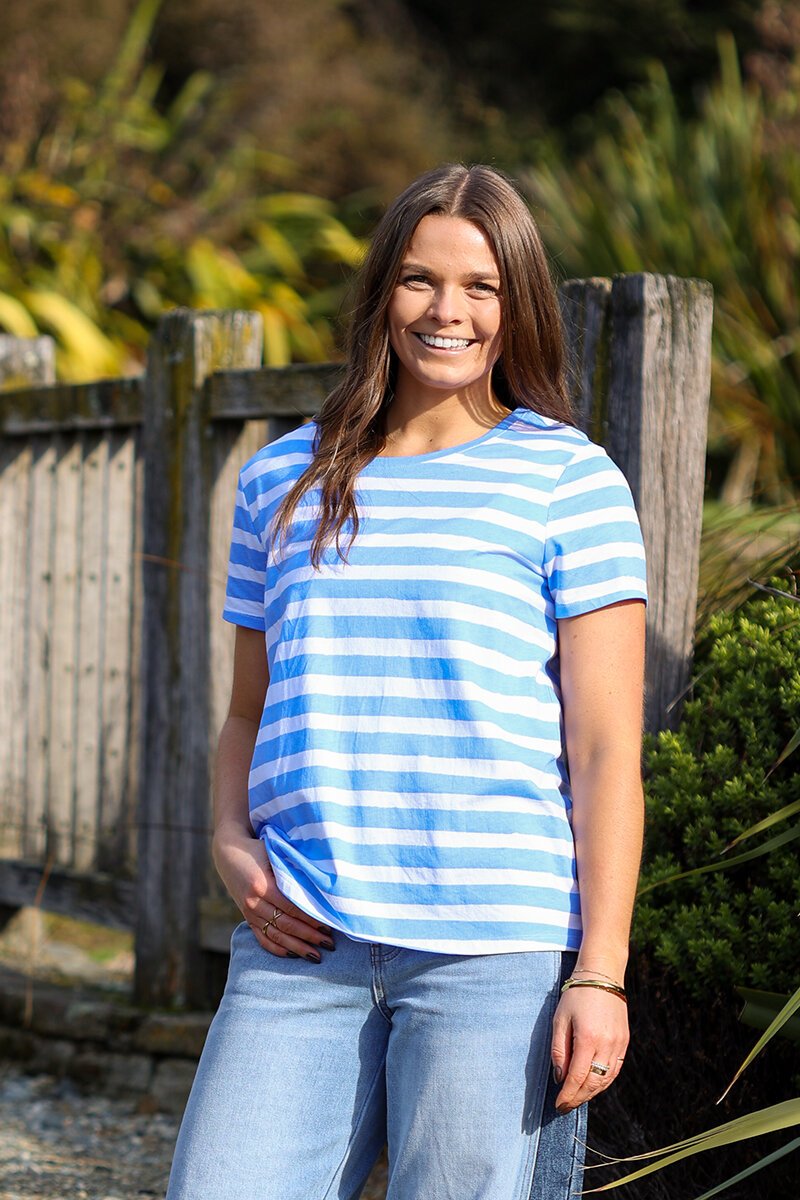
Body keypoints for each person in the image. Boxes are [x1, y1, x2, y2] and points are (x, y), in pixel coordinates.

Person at [166, 162, 648, 1200]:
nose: (446, 311)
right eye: (420, 279)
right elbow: (247, 709)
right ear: (382, 290)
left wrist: (600, 972)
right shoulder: (280, 478)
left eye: (481, 286)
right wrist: (227, 840)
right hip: (303, 940)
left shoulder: (569, 480)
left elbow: (607, 750)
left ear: (517, 304)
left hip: (495, 953)